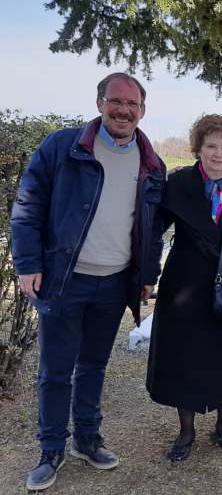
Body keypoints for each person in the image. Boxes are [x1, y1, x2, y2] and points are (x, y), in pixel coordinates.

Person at [11, 72, 165, 490]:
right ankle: (51, 449)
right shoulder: (62, 148)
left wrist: (147, 275)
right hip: (64, 280)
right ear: (100, 104)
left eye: (132, 104)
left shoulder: (152, 164)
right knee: (56, 371)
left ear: (142, 111)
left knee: (94, 365)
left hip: (114, 283)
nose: (123, 110)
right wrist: (28, 264)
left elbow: (151, 229)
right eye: (116, 101)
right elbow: (28, 206)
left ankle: (86, 438)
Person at [146, 114, 222, 462]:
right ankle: (186, 430)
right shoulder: (179, 182)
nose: (217, 154)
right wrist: (146, 274)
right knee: (184, 357)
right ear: (198, 148)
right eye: (211, 146)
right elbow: (152, 229)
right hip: (185, 284)